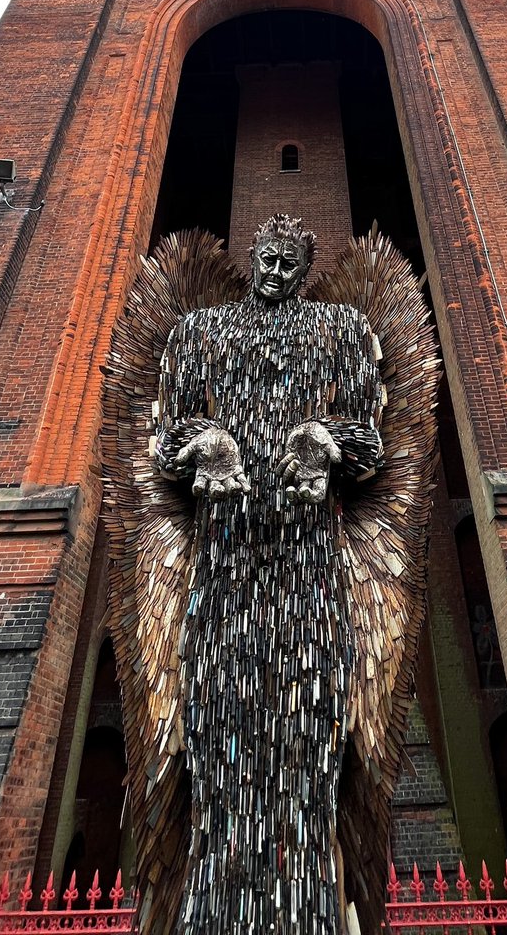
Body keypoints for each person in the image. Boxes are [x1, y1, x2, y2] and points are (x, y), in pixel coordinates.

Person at [154, 214, 383, 935]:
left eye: (290, 263)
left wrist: (329, 443)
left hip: (311, 567)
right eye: (268, 259)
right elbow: (165, 439)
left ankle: (311, 901)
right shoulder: (200, 333)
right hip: (222, 569)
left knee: (311, 734)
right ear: (251, 256)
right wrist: (206, 442)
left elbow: (371, 443)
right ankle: (212, 905)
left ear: (305, 267)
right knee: (219, 736)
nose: (277, 273)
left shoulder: (342, 329)